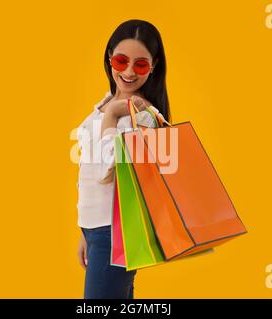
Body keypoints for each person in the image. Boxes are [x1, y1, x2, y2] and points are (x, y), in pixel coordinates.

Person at [75, 19, 171, 299]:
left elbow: (108, 168)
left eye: (140, 65)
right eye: (121, 60)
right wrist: (84, 231)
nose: (129, 72)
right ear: (109, 58)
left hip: (117, 234)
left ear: (152, 66)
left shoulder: (143, 117)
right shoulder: (105, 103)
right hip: (97, 231)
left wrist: (113, 116)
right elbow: (89, 172)